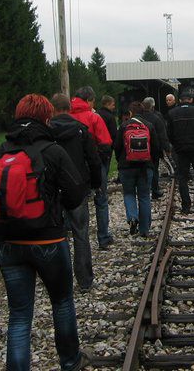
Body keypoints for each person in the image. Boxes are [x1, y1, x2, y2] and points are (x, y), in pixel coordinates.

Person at [0, 94, 88, 371]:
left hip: (8, 242)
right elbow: (76, 194)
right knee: (62, 302)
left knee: (19, 314)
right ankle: (70, 360)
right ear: (47, 118)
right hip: (48, 239)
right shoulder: (52, 151)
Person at [49, 93, 103, 293]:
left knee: (56, 235)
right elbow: (94, 160)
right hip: (78, 188)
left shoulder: (46, 132)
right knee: (81, 234)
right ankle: (85, 280)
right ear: (69, 109)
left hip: (53, 190)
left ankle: (59, 280)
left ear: (52, 109)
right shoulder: (81, 131)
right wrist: (95, 184)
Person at [71, 86, 115, 249]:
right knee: (101, 200)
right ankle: (103, 237)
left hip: (73, 167)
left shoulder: (66, 116)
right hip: (94, 165)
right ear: (89, 100)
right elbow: (106, 142)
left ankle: (79, 239)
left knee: (77, 202)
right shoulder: (94, 117)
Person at [114, 101, 160, 236]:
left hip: (126, 167)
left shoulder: (124, 126)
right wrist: (152, 163)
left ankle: (133, 217)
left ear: (130, 113)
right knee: (144, 196)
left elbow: (116, 147)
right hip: (145, 167)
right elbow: (156, 148)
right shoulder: (149, 126)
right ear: (143, 112)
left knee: (129, 194)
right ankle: (144, 230)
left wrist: (120, 161)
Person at [167, 86, 194, 213]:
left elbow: (170, 134)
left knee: (182, 176)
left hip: (181, 150)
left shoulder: (172, 113)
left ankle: (186, 205)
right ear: (190, 99)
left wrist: (176, 145)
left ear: (180, 100)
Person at [140, 96, 171, 199]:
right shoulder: (157, 118)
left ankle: (142, 189)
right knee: (154, 169)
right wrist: (167, 149)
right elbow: (162, 135)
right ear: (153, 106)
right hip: (154, 149)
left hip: (139, 148)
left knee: (141, 169)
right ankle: (155, 190)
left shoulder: (138, 117)